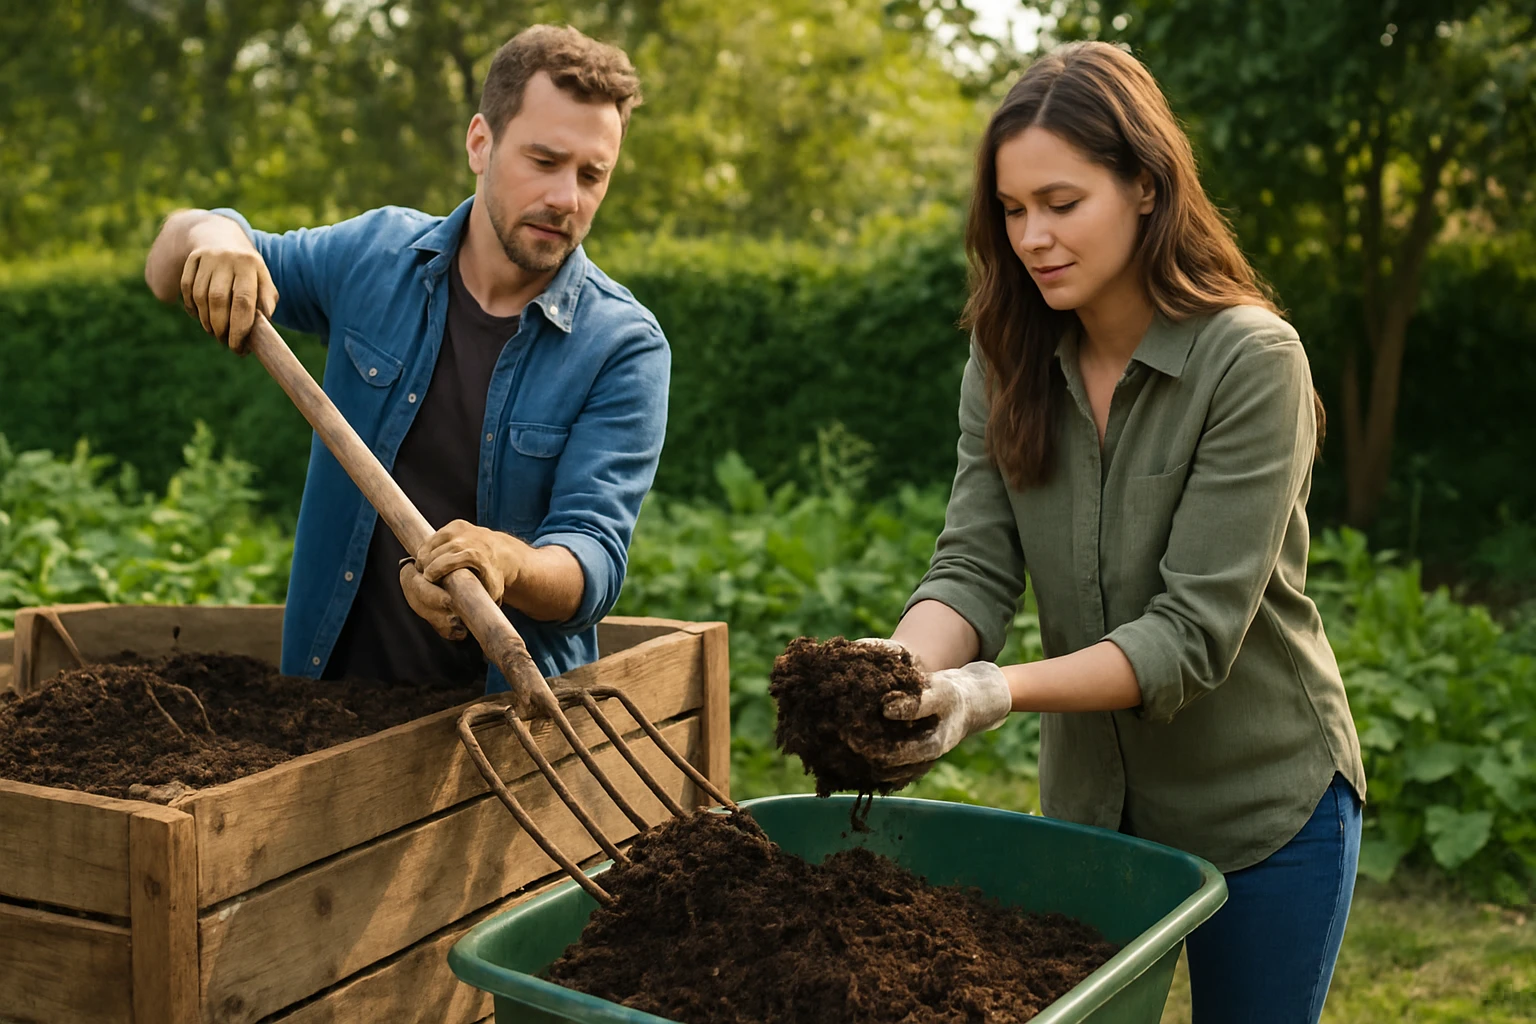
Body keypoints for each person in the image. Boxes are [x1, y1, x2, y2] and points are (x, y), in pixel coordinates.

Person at [855, 42, 1365, 1024]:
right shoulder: (1007, 355)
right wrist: (900, 670)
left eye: (1061, 202)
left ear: (1143, 186)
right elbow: (972, 563)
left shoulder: (1253, 361)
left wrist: (990, 693)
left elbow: (1190, 634)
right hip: (1095, 816)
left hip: (1262, 808)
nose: (1033, 237)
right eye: (1012, 211)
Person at [144, 25, 669, 693]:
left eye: (591, 175)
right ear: (481, 142)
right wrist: (215, 233)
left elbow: (592, 558)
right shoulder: (377, 260)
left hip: (505, 732)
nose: (568, 198)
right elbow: (168, 262)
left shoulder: (622, 346)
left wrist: (501, 560)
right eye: (544, 161)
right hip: (326, 707)